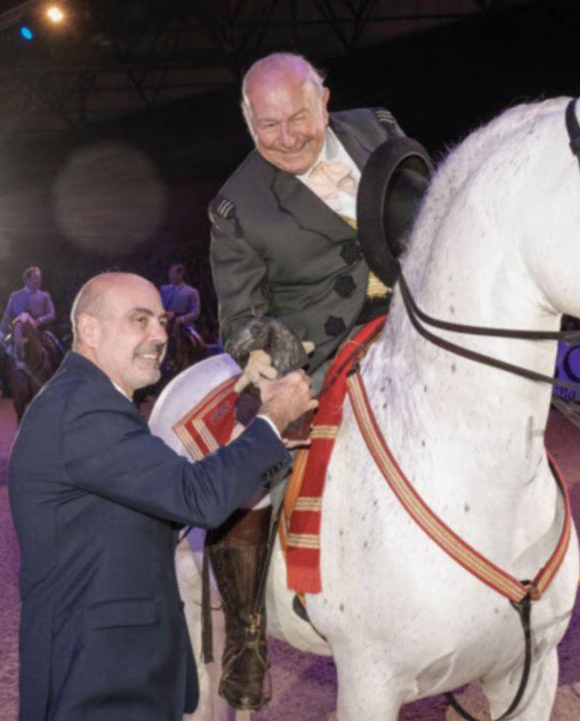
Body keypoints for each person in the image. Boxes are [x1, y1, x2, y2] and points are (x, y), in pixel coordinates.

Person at [7, 272, 315, 721]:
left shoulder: (97, 402)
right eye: (140, 320)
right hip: (98, 683)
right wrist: (273, 417)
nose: (159, 335)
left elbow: (157, 506)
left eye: (161, 322)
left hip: (118, 672)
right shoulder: (83, 408)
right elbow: (197, 499)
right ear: (89, 330)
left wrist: (247, 447)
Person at [204, 51, 411, 709]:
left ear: (324, 98)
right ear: (246, 119)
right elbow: (240, 315)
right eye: (267, 125)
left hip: (413, 321)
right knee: (246, 455)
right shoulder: (235, 205)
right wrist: (277, 363)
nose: (286, 136)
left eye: (298, 116)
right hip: (315, 349)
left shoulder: (379, 129)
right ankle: (246, 633)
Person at [0, 267, 58, 393]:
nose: (39, 280)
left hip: (40, 330)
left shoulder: (44, 296)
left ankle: (58, 377)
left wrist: (39, 320)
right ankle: (3, 381)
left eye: (40, 277)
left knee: (56, 345)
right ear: (27, 280)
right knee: (1, 349)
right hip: (17, 331)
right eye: (36, 277)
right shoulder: (15, 296)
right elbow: (7, 316)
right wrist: (1, 333)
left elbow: (52, 314)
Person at [159, 263, 201, 328]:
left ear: (180, 274)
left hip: (183, 325)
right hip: (164, 322)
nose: (170, 276)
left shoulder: (192, 292)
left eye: (173, 273)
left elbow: (195, 312)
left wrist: (181, 319)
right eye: (170, 273)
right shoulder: (163, 289)